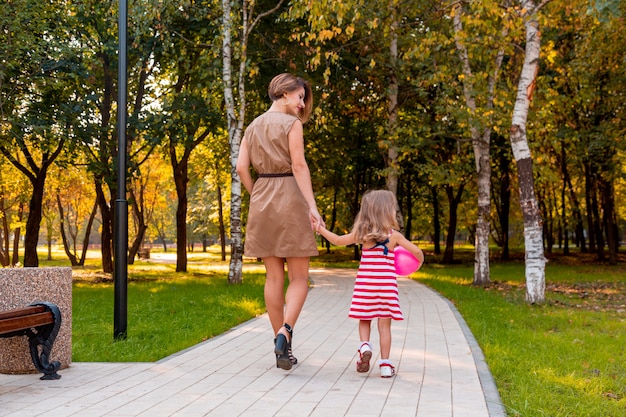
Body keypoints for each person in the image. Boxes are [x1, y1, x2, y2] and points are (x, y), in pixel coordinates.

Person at [236, 73, 324, 371]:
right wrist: (312, 206)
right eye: (300, 97)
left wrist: (257, 194)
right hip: (290, 196)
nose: (302, 104)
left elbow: (241, 167)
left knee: (273, 277)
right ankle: (286, 331)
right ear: (284, 94)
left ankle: (279, 344)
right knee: (299, 277)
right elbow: (299, 166)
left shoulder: (252, 126)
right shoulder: (292, 125)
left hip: (262, 199)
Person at [313, 190, 424, 378]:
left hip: (366, 286)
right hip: (386, 287)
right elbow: (417, 251)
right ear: (387, 212)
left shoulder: (362, 234)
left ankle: (365, 346)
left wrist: (320, 228)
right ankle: (386, 365)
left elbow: (338, 240)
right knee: (384, 325)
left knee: (365, 318)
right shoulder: (394, 236)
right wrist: (417, 264)